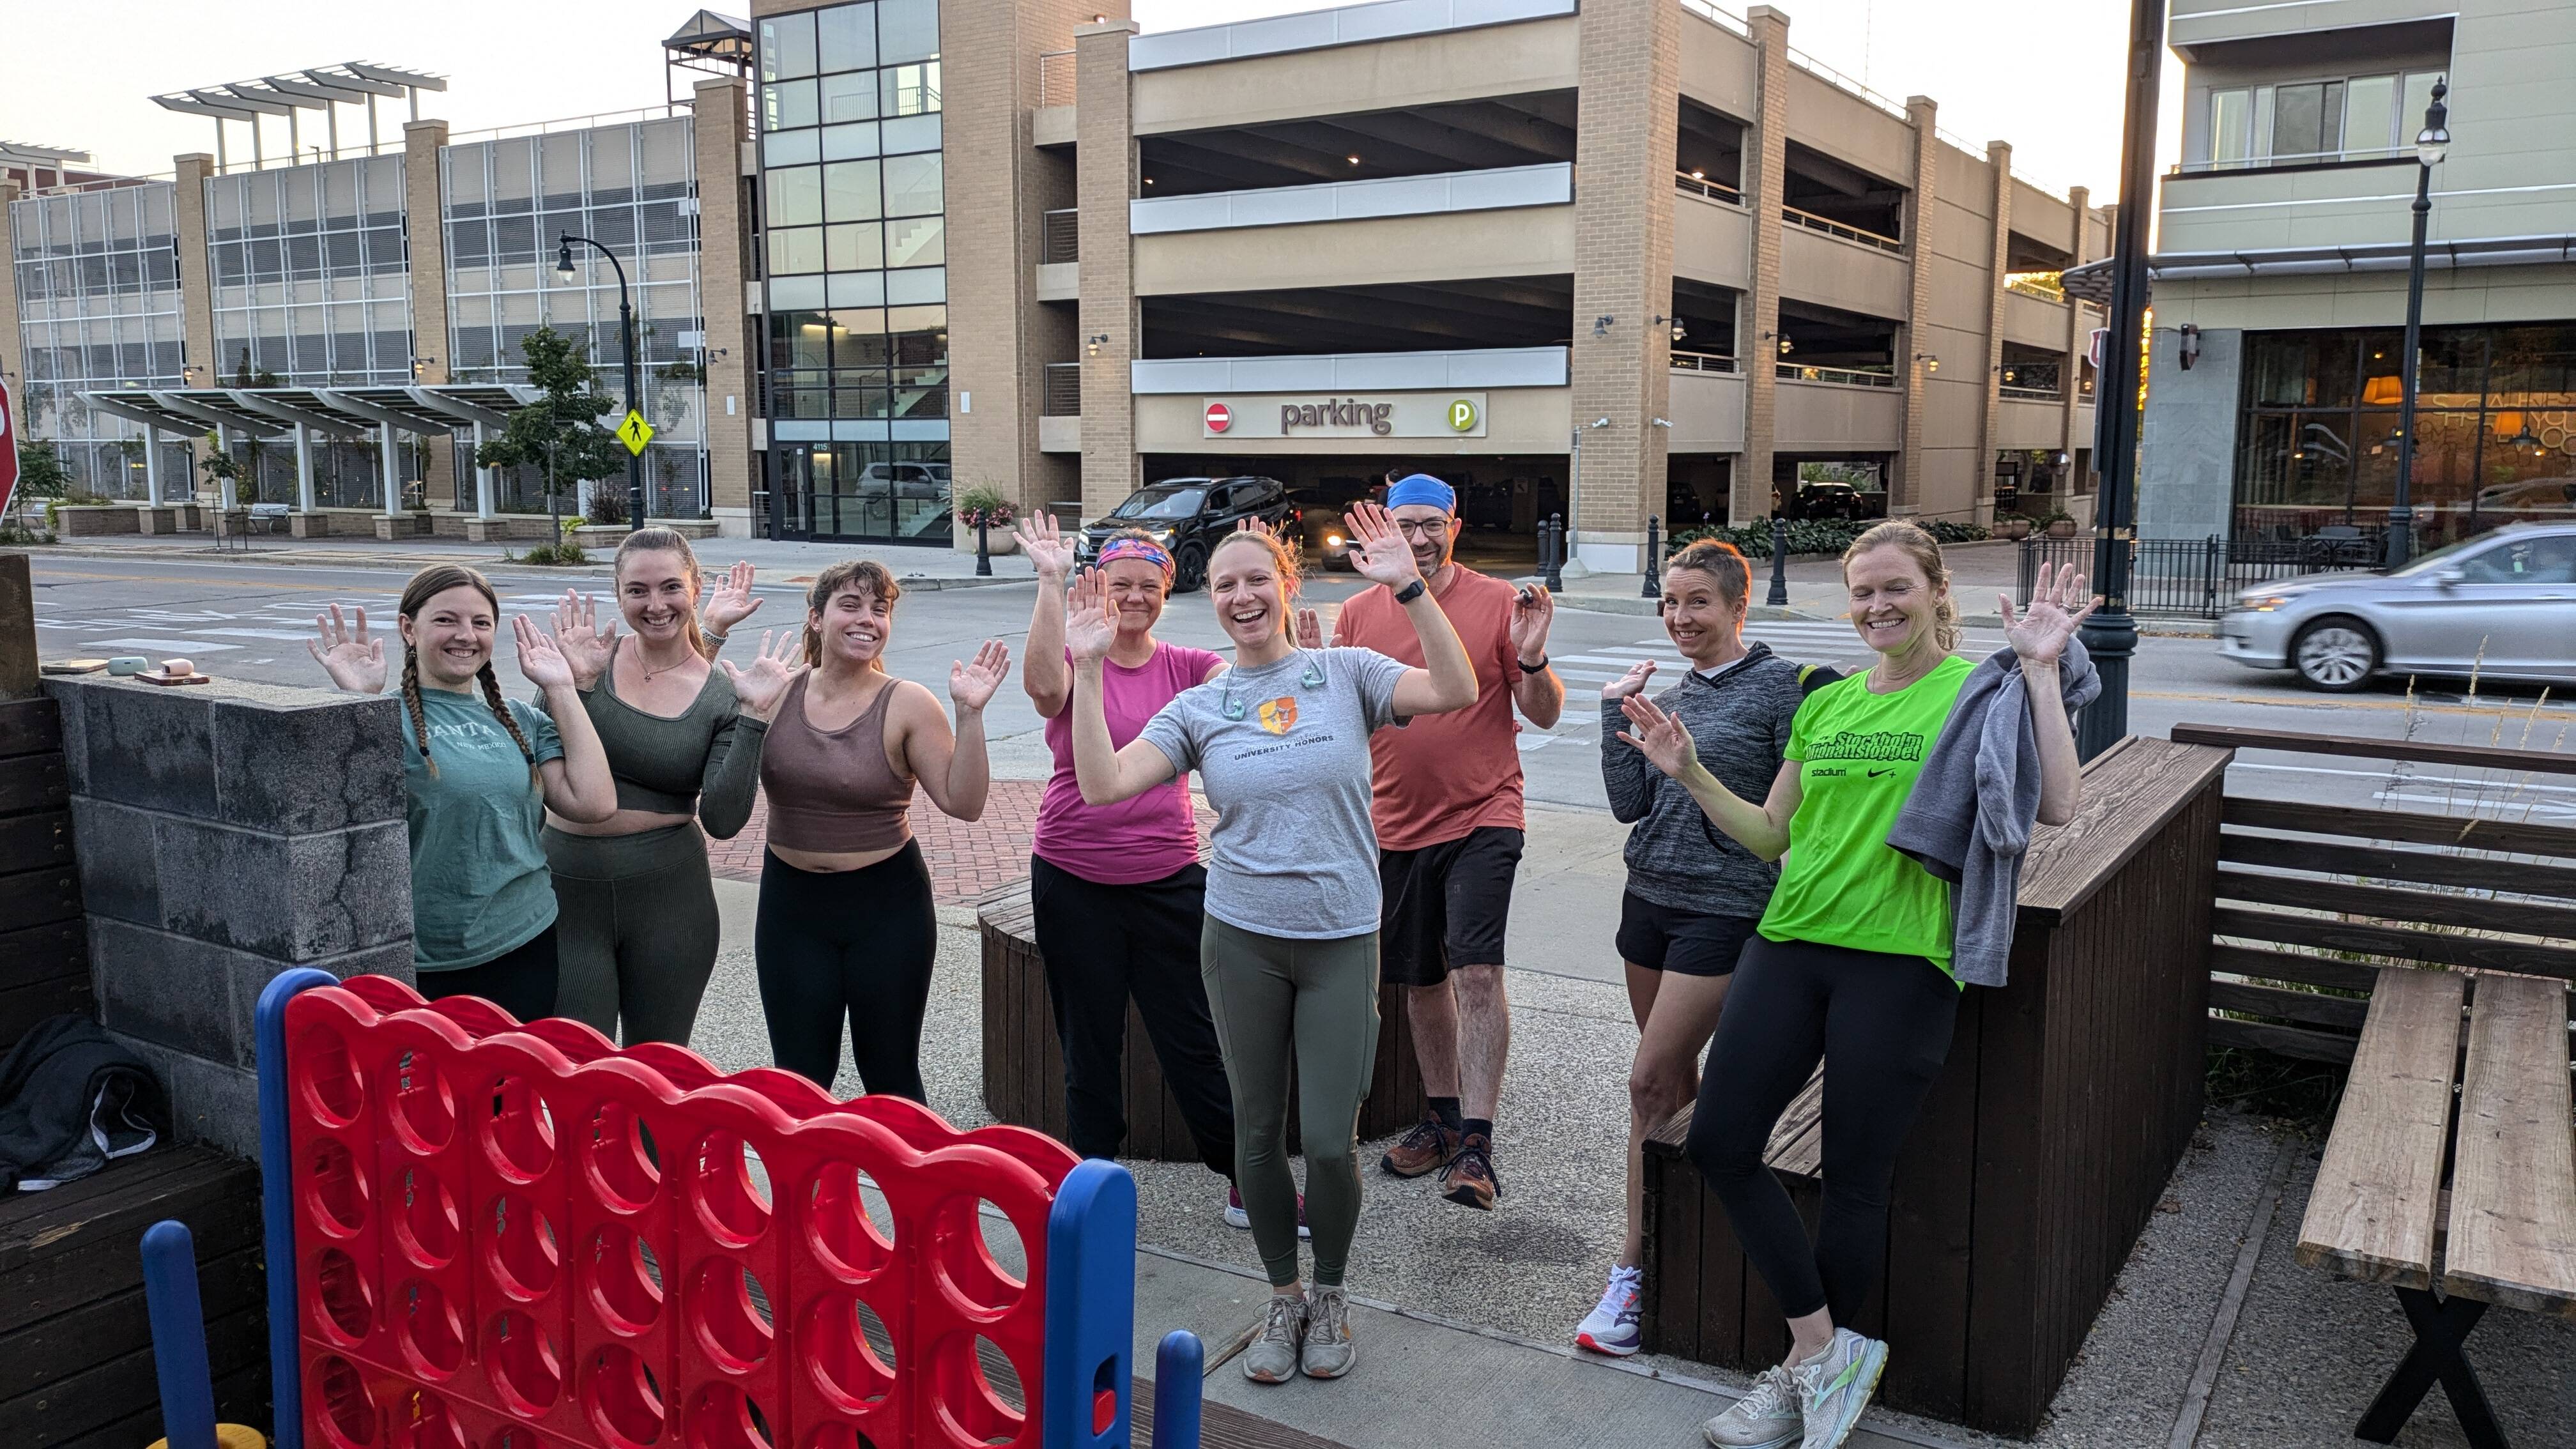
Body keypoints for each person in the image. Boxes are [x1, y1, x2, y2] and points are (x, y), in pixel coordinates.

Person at [1616, 523, 2093, 1449]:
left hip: (1903, 959)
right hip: (1789, 940)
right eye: (1864, 592)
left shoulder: (1974, 692)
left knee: (1855, 1177)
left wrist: (2040, 670)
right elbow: (1771, 835)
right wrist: (1691, 771)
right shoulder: (1828, 704)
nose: (1878, 606)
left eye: (1895, 588)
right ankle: (1823, 1352)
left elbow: (2060, 804)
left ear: (1936, 591)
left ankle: (1801, 1379)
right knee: (1717, 1142)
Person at [1066, 507, 1477, 1385]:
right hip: (1241, 939)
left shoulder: (1346, 673)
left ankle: (1332, 1291)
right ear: (1210, 599)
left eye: (1258, 579)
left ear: (1287, 586)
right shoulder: (1199, 706)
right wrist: (1089, 668)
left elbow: (1454, 688)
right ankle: (1284, 1295)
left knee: (1328, 1140)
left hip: (1339, 938)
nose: (1243, 596)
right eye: (1225, 585)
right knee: (1257, 1135)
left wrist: (1411, 588)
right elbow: (1102, 784)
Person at [1576, 539, 1834, 1358]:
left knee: (1648, 1081)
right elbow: (1630, 806)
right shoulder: (1672, 693)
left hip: (1724, 912)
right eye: (1670, 603)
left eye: (1698, 603)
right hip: (1647, 902)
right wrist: (1613, 714)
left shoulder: (1787, 689)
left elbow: (1792, 815)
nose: (1680, 618)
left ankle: (1631, 1271)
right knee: (1671, 1089)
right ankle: (1683, 1243)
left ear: (1737, 607)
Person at [1322, 473, 1562, 1210]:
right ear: (1385, 532)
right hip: (1393, 825)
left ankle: (1478, 1146)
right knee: (1422, 981)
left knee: (1477, 973)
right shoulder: (1358, 612)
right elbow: (1340, 720)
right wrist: (1307, 671)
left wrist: (1531, 658)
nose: (1420, 539)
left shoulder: (1495, 602)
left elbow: (1544, 714)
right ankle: (1443, 1120)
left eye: (1433, 524)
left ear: (1455, 526)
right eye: (1406, 526)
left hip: (1485, 813)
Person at [1013, 514, 1243, 1223]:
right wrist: (1050, 581)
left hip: (1167, 878)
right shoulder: (1078, 653)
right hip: (1072, 876)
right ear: (1098, 588)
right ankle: (1095, 1189)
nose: (1135, 597)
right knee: (1089, 1043)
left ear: (1167, 593)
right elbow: (1041, 688)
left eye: (1150, 585)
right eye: (1121, 585)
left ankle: (1245, 1179)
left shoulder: (1189, 667)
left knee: (1194, 1040)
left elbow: (1248, 690)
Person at [728, 558, 1011, 1101]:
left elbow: (965, 803)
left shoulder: (907, 702)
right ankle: (810, 1164)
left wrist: (970, 715)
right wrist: (733, 679)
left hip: (887, 907)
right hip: (791, 905)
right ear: (816, 618)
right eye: (850, 605)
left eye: (880, 610)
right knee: (798, 1079)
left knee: (891, 1076)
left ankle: (909, 1163)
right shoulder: (777, 692)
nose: (867, 619)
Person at [306, 565, 617, 1022]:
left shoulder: (521, 720)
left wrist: (562, 687)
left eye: (481, 623)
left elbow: (594, 804)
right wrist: (361, 706)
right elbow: (338, 823)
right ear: (409, 629)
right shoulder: (385, 717)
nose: (466, 635)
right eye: (446, 620)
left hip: (524, 942)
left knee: (512, 1070)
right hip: (426, 959)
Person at [537, 537, 767, 1046]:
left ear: (696, 589)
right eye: (638, 590)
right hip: (565, 890)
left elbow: (724, 820)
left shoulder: (722, 693)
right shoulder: (584, 660)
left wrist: (755, 720)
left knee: (657, 1068)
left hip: (669, 899)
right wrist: (573, 686)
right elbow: (534, 769)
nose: (656, 605)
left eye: (670, 588)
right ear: (618, 593)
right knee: (573, 1063)